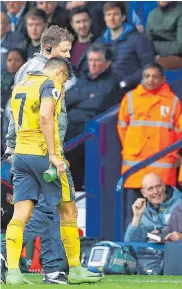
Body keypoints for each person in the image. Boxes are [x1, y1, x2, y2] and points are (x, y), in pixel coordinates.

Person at [6, 57, 103, 285]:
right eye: (65, 80)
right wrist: (53, 154)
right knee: (69, 210)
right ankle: (76, 269)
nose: (64, 86)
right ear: (59, 72)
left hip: (21, 155)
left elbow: (13, 119)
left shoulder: (21, 84)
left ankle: (12, 272)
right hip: (43, 155)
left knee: (20, 214)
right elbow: (45, 116)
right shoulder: (49, 85)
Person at [2, 25, 74, 285]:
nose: (68, 56)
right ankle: (54, 269)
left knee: (29, 211)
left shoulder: (25, 73)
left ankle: (10, 258)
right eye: (64, 51)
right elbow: (43, 116)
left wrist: (11, 145)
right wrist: (54, 153)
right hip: (42, 150)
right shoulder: (45, 74)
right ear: (48, 48)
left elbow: (14, 111)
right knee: (55, 207)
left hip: (24, 150)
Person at [117, 62, 182, 229]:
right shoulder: (130, 98)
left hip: (162, 170)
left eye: (155, 76)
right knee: (133, 216)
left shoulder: (173, 101)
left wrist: (173, 156)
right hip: (135, 168)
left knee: (164, 219)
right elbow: (122, 128)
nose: (150, 80)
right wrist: (132, 148)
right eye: (147, 76)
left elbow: (178, 133)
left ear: (162, 78)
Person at [65, 43, 121, 190]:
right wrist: (85, 98)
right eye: (90, 60)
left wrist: (80, 99)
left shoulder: (112, 82)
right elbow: (65, 99)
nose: (93, 64)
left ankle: (79, 186)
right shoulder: (83, 79)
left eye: (97, 60)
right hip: (70, 125)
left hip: (92, 127)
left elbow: (98, 103)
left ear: (108, 63)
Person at [124, 173, 182, 242]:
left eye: (158, 186)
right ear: (143, 193)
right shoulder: (143, 211)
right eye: (150, 188)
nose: (155, 191)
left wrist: (180, 236)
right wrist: (137, 217)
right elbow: (130, 242)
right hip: (152, 252)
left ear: (164, 186)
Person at [146, 1, 182, 70]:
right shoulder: (152, 14)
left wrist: (153, 48)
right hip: (154, 55)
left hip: (181, 58)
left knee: (154, 66)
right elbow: (146, 40)